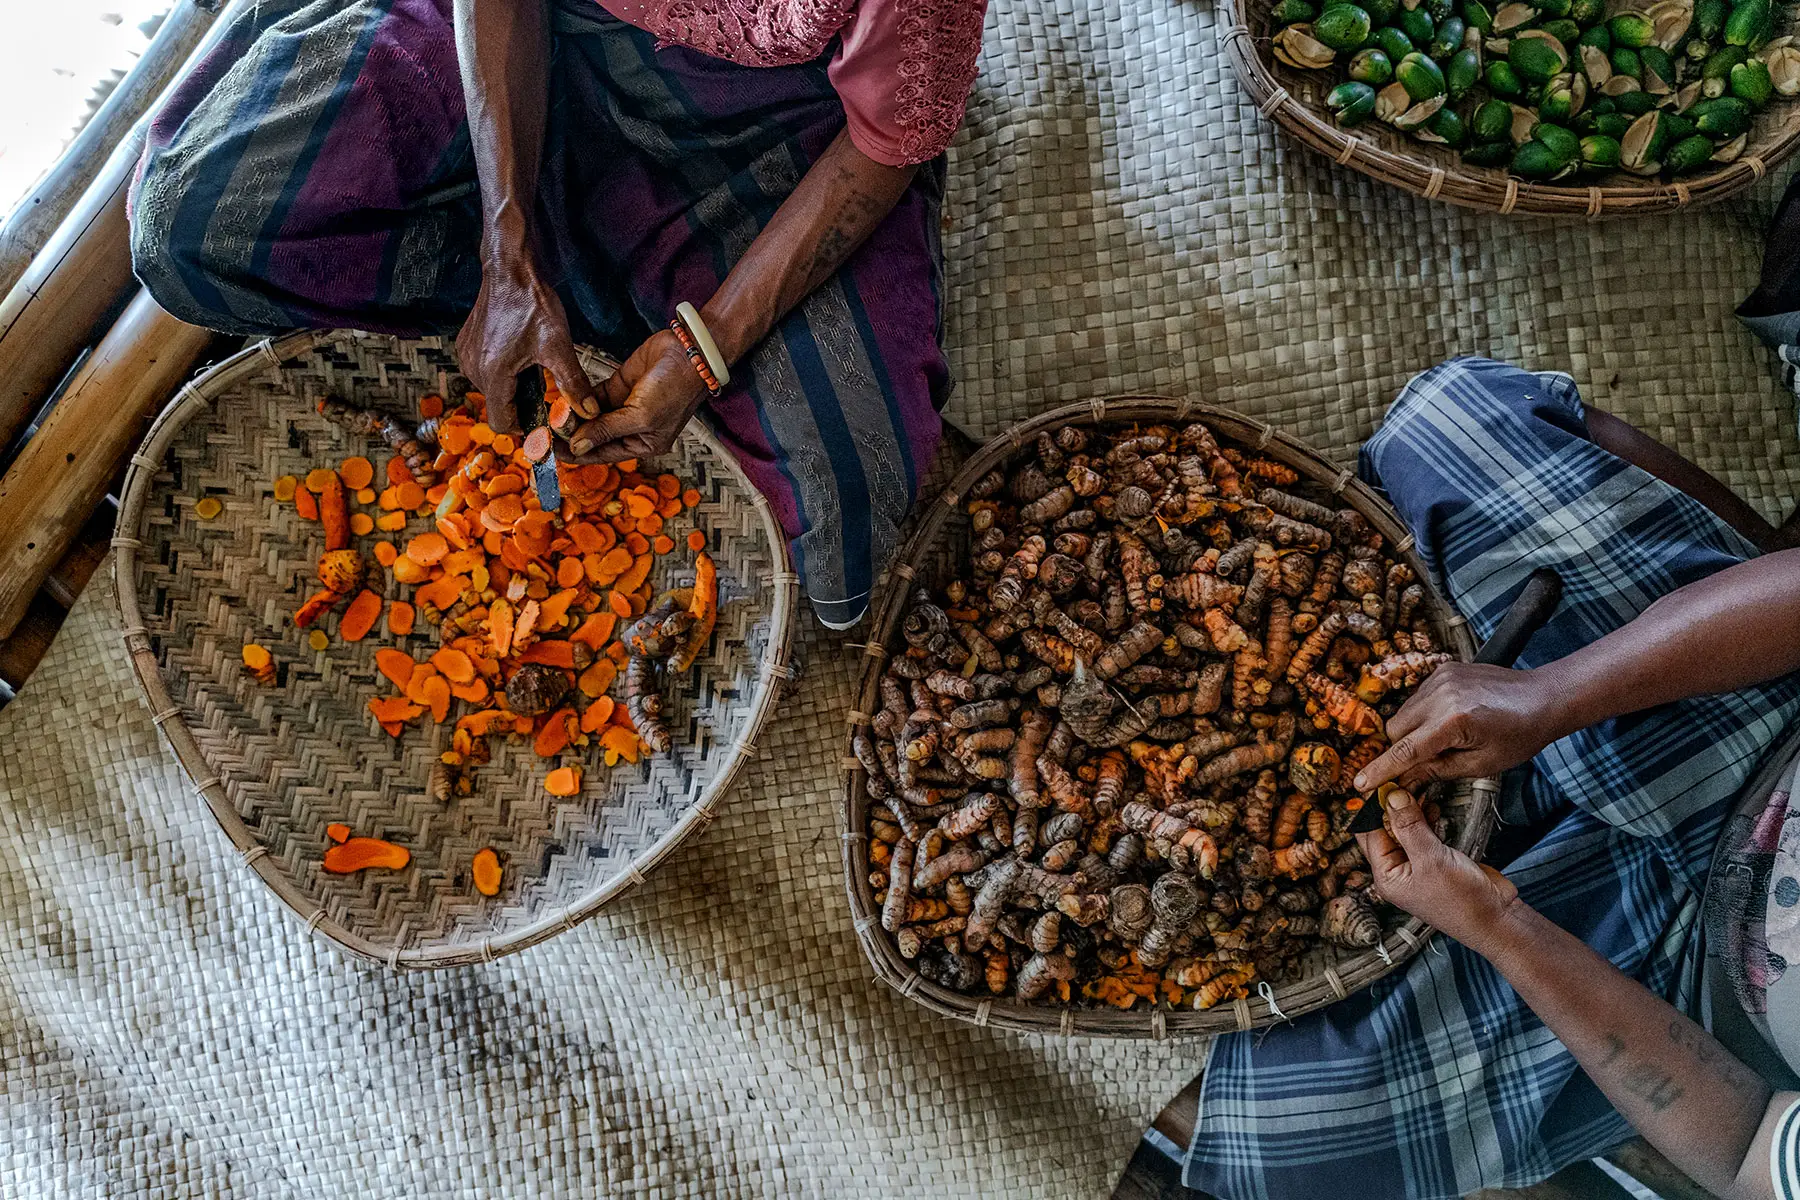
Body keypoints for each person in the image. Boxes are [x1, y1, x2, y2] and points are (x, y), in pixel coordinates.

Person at [1139, 356, 1800, 1199]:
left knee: (1282, 1149)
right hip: (1757, 717)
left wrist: (1499, 924)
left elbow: (1745, 1145)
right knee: (1447, 426)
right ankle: (1735, 567)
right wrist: (1556, 695)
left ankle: (1515, 822)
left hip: (1675, 980)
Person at [127, 0, 989, 629]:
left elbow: (884, 139)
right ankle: (539, 292)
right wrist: (506, 252)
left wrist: (706, 348)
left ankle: (603, 300)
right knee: (193, 228)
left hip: (773, 126)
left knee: (847, 528)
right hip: (529, 37)